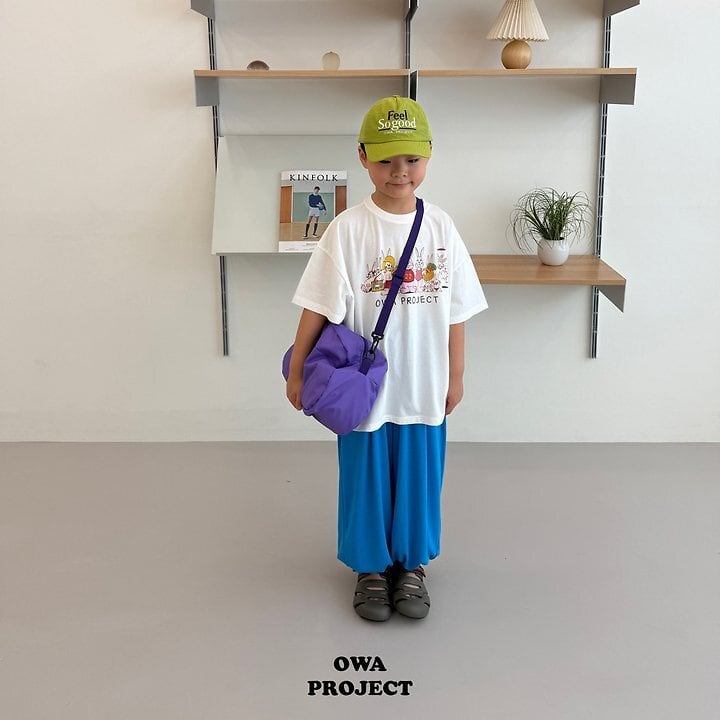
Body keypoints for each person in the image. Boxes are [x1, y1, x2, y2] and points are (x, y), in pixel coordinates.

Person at [285, 96, 488, 622]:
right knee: (366, 475)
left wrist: (456, 376)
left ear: (429, 155)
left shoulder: (441, 227)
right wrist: (297, 370)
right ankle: (370, 568)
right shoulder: (348, 229)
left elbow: (457, 311)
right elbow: (318, 305)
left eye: (412, 160)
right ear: (362, 157)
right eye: (386, 160)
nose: (400, 172)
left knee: (420, 475)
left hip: (423, 383)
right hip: (364, 389)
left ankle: (411, 565)